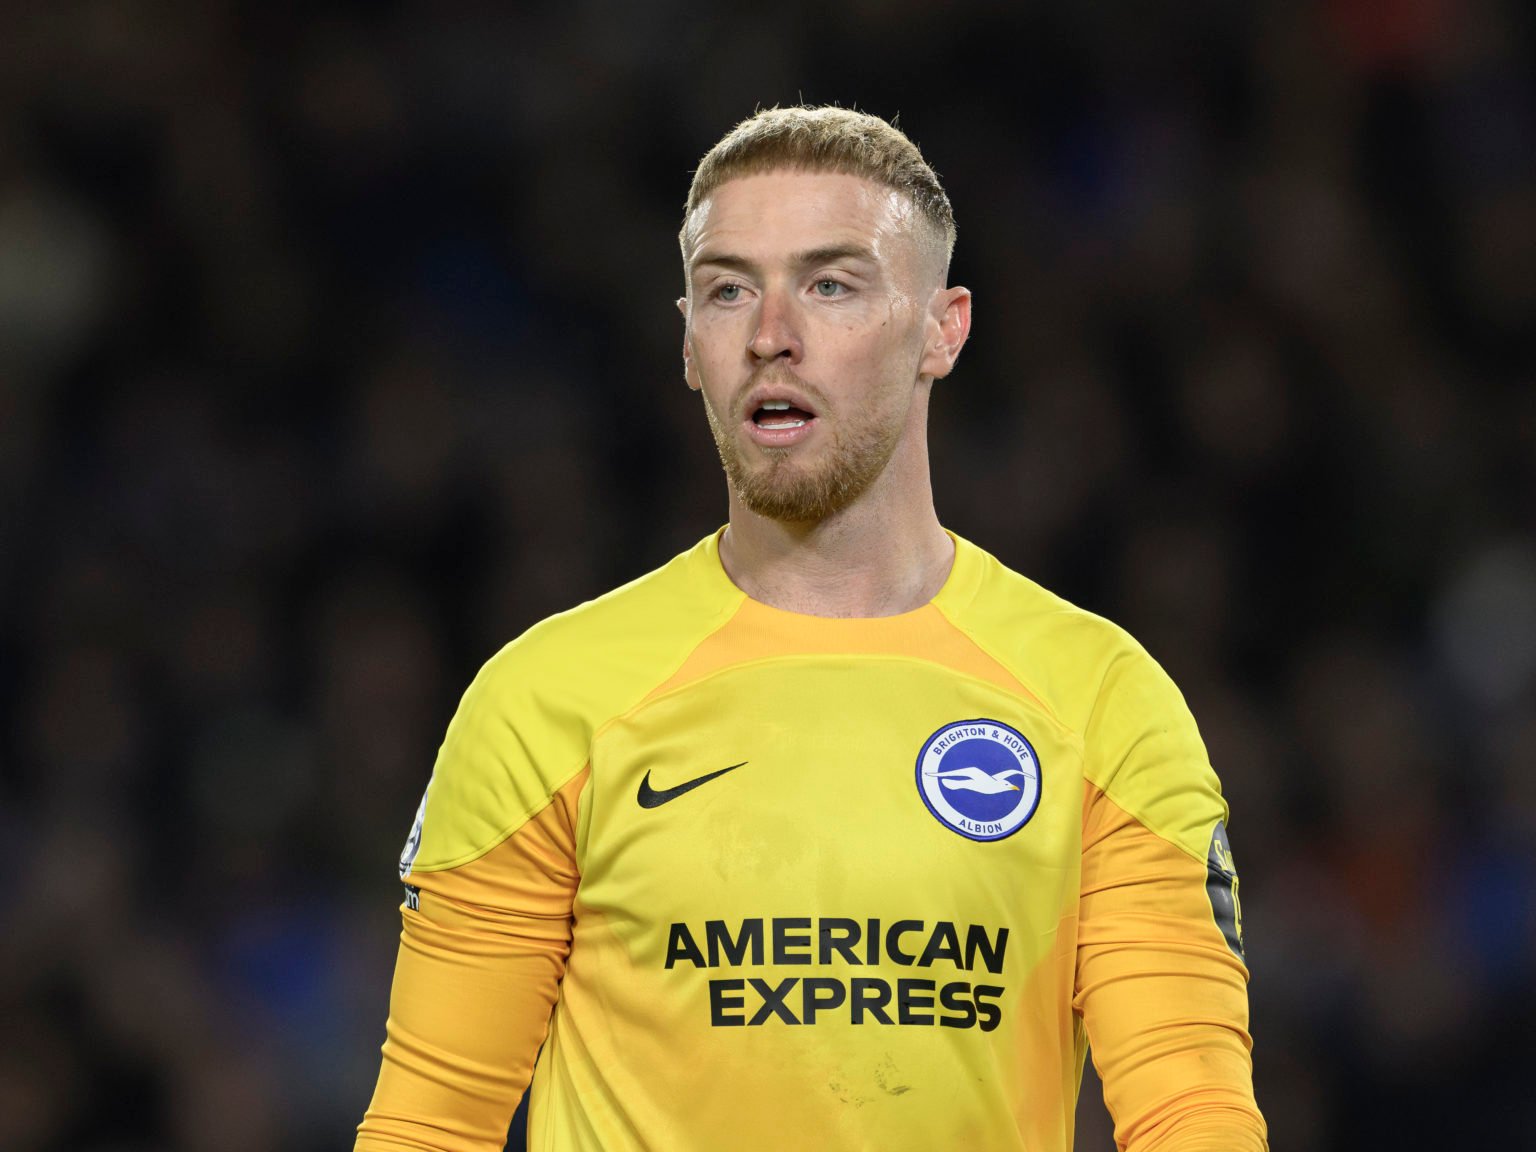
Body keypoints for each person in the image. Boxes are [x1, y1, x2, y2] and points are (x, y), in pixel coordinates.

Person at [355, 106, 1267, 1152]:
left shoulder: (1104, 701)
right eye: (728, 289)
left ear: (943, 328)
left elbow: (1193, 1118)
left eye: (831, 284)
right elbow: (428, 1127)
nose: (770, 333)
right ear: (690, 345)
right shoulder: (544, 702)